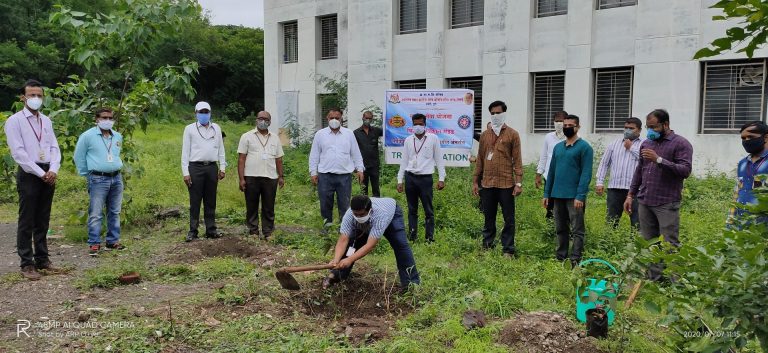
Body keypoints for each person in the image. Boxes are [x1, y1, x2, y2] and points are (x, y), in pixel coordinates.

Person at [625, 109, 693, 281]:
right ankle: (654, 280)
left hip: (666, 202)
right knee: (650, 243)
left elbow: (685, 170)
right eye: (648, 127)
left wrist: (659, 160)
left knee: (670, 244)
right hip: (646, 200)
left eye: (654, 127)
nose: (650, 131)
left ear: (666, 125)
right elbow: (640, 170)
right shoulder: (647, 143)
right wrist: (631, 194)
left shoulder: (681, 144)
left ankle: (675, 282)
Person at [4, 79, 62, 280]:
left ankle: (43, 259)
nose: (36, 98)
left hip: (48, 172)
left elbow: (54, 147)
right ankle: (26, 263)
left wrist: (53, 169)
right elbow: (19, 153)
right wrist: (40, 173)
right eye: (31, 95)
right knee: (27, 219)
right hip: (30, 173)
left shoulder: (46, 120)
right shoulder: (15, 121)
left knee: (42, 218)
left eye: (39, 95)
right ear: (23, 97)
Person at [323, 195, 420, 292]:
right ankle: (336, 275)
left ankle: (411, 284)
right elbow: (343, 239)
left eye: (361, 215)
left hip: (392, 215)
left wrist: (350, 259)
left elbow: (370, 244)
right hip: (368, 221)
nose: (358, 217)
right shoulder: (349, 215)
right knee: (352, 244)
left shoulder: (380, 215)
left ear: (370, 210)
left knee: (400, 245)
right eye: (355, 214)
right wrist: (336, 260)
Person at [472, 101, 523, 257]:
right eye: (492, 113)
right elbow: (480, 159)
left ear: (504, 113)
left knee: (509, 218)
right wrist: (475, 181)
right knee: (488, 216)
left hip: (506, 183)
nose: (495, 116)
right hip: (487, 183)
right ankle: (487, 245)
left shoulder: (513, 134)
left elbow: (517, 160)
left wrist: (518, 182)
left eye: (498, 113)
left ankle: (508, 249)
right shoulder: (485, 135)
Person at [74, 108, 126, 256]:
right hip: (98, 178)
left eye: (110, 118)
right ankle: (94, 243)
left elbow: (115, 155)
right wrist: (87, 174)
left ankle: (112, 240)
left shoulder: (117, 136)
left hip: (116, 177)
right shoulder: (87, 136)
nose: (107, 121)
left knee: (115, 211)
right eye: (104, 118)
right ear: (96, 119)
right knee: (96, 212)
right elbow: (79, 156)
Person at [543, 115, 594, 266]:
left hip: (574, 197)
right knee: (560, 228)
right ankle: (561, 257)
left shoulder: (584, 148)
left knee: (577, 229)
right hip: (557, 194)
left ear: (578, 127)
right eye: (565, 125)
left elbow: (586, 174)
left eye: (570, 125)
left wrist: (580, 195)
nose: (566, 127)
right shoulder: (558, 147)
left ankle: (575, 259)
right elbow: (551, 172)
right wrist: (547, 193)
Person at [309, 108, 365, 226]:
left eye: (337, 118)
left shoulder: (349, 134)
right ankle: (327, 228)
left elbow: (355, 152)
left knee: (344, 205)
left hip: (344, 176)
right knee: (325, 204)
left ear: (342, 119)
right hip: (325, 176)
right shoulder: (320, 134)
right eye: (331, 118)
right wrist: (313, 172)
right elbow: (314, 154)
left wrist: (360, 169)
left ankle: (343, 229)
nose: (334, 120)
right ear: (327, 119)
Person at [396, 113, 446, 242]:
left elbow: (439, 159)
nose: (418, 126)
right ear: (412, 125)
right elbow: (404, 161)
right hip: (410, 178)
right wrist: (399, 180)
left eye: (420, 124)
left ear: (425, 125)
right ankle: (412, 236)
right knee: (412, 209)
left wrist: (441, 178)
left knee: (428, 210)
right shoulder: (408, 140)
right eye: (415, 124)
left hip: (425, 179)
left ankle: (429, 238)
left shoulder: (433, 138)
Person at [181, 101, 227, 242]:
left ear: (210, 113)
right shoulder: (189, 129)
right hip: (195, 167)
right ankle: (193, 231)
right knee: (195, 200)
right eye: (201, 112)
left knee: (210, 199)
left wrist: (222, 167)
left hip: (212, 167)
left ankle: (211, 229)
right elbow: (185, 151)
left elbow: (221, 149)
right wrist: (185, 172)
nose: (204, 114)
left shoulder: (216, 128)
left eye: (206, 112)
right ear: (196, 113)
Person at [237, 111, 285, 240]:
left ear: (270, 122)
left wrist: (281, 176)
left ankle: (268, 232)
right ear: (256, 120)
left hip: (270, 177)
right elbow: (241, 159)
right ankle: (253, 231)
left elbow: (279, 159)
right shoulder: (246, 136)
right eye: (260, 118)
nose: (263, 121)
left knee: (268, 206)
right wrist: (241, 179)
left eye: (266, 119)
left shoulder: (275, 137)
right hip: (251, 176)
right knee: (251, 205)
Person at [595, 117, 642, 229]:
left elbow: (647, 160)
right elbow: (604, 163)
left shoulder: (644, 144)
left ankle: (636, 245)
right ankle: (608, 245)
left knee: (637, 221)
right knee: (611, 220)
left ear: (639, 130)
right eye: (626, 128)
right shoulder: (614, 144)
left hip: (636, 190)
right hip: (615, 188)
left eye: (631, 128)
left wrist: (631, 147)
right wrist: (600, 182)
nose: (627, 130)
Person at [730, 121, 768, 227]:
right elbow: (737, 192)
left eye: (751, 137)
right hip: (741, 223)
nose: (746, 141)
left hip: (763, 226)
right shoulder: (743, 163)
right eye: (743, 138)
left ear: (765, 137)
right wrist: (730, 220)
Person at [536, 111, 568, 219]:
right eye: (556, 121)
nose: (559, 123)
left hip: (565, 177)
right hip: (549, 177)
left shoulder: (571, 137)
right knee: (549, 204)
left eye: (561, 121)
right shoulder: (548, 137)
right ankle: (550, 229)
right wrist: (539, 174)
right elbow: (544, 156)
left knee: (563, 204)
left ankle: (564, 227)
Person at [354, 111, 383, 197]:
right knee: (363, 188)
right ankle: (364, 207)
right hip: (362, 165)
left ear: (372, 119)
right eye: (366, 118)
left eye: (370, 118)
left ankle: (377, 205)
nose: (368, 120)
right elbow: (353, 149)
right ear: (363, 118)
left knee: (376, 188)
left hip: (374, 164)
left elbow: (388, 132)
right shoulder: (356, 133)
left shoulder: (376, 131)